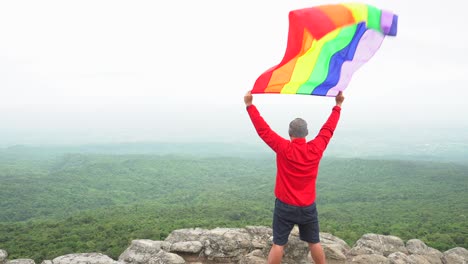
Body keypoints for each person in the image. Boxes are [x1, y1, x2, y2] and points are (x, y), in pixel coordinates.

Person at [244, 90, 345, 264]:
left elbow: (263, 130)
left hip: (285, 206)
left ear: (290, 133)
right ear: (306, 134)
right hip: (307, 207)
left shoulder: (284, 148)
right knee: (314, 242)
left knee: (278, 244)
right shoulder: (316, 148)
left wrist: (249, 105)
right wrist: (338, 106)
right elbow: (328, 130)